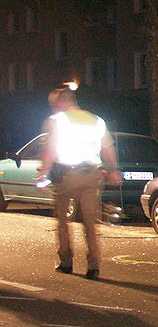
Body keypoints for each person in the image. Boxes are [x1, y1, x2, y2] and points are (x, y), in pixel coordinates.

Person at [37, 87, 120, 279]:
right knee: (90, 222)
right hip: (92, 175)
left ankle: (66, 262)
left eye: (54, 105)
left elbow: (49, 151)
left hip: (66, 175)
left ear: (60, 103)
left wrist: (42, 174)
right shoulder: (96, 120)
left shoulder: (57, 121)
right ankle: (93, 266)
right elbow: (108, 148)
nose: (53, 108)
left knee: (63, 220)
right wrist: (114, 170)